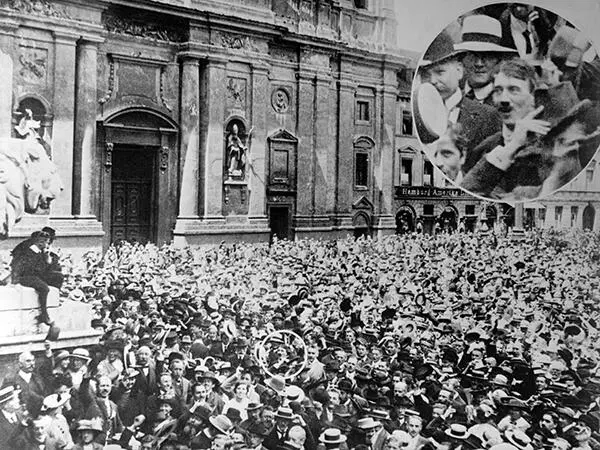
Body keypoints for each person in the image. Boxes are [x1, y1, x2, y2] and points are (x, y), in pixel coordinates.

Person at [418, 30, 501, 172]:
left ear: (459, 71)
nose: (432, 81)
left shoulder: (488, 116)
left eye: (440, 72)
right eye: (426, 74)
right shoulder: (418, 111)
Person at [456, 15, 518, 106]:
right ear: (461, 59)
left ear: (499, 60)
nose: (479, 63)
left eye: (488, 56)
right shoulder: (451, 97)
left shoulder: (506, 103)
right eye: (472, 55)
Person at [11, 230, 61, 325]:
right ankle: (44, 313)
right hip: (24, 277)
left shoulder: (39, 251)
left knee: (57, 277)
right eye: (46, 242)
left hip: (34, 275)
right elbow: (28, 269)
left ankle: (57, 299)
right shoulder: (28, 252)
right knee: (44, 288)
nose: (47, 245)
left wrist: (48, 260)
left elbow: (44, 268)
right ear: (40, 242)